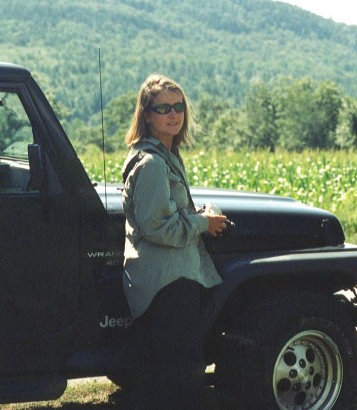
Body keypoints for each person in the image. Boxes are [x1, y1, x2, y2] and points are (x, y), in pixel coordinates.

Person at [121, 74, 229, 410]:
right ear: (147, 114)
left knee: (168, 376)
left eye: (178, 106)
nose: (173, 114)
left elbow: (165, 213)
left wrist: (197, 215)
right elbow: (158, 228)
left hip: (170, 278)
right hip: (166, 284)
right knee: (179, 378)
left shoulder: (166, 155)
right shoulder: (152, 163)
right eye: (163, 108)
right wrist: (203, 223)